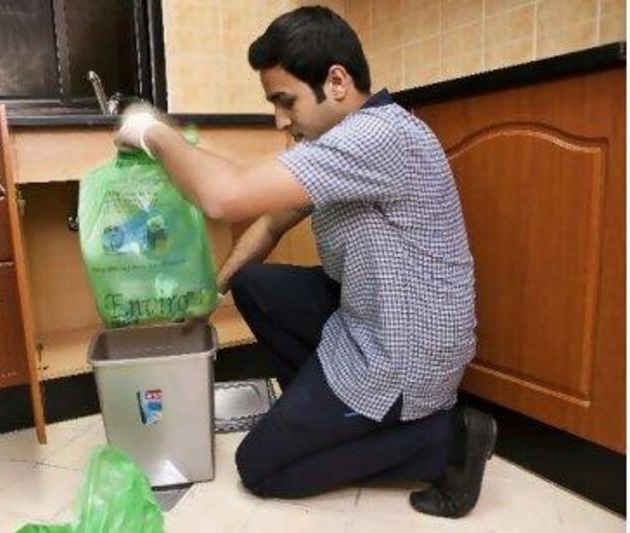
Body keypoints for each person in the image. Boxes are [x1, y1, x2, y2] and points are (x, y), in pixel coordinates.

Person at [115, 6, 497, 518]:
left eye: (285, 100)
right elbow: (272, 222)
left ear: (336, 81)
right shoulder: (341, 142)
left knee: (262, 468)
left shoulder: (379, 136)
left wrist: (151, 130)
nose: (280, 118)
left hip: (406, 353)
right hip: (369, 316)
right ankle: (332, 421)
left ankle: (442, 438)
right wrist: (213, 292)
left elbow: (224, 197)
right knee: (251, 282)